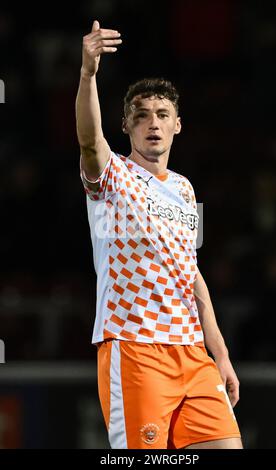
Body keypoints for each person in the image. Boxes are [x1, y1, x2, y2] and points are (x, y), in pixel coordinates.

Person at [75, 20, 242, 450]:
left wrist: (219, 353)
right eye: (142, 115)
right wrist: (88, 73)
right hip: (134, 347)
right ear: (127, 126)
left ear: (177, 125)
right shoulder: (112, 175)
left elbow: (193, 274)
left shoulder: (186, 189)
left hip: (192, 354)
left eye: (163, 114)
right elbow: (90, 141)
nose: (153, 123)